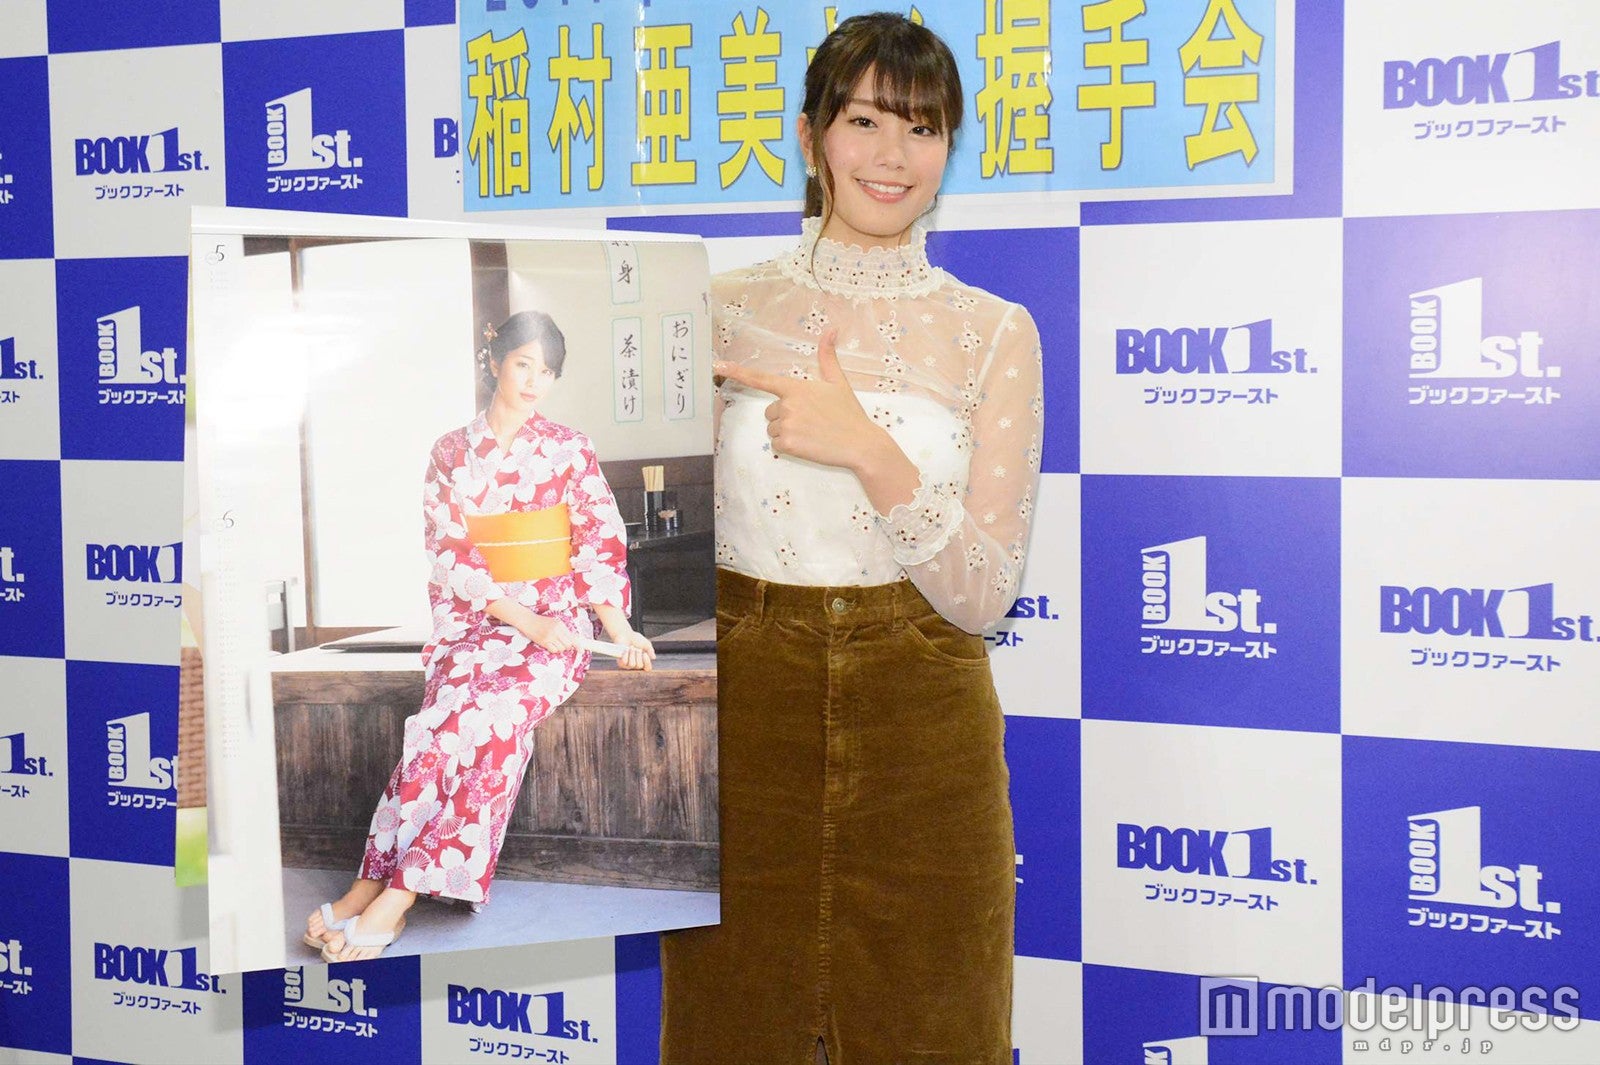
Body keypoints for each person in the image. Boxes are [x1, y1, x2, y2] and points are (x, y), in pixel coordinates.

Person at [660, 12, 1043, 1064]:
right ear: (810, 135)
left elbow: (986, 595)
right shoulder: (715, 310)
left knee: (939, 1035)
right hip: (743, 710)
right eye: (865, 120)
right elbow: (654, 544)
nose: (893, 155)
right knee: (727, 1033)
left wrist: (870, 451)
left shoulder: (994, 331)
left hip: (925, 719)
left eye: (922, 128)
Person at [307, 310, 656, 962]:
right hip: (478, 623)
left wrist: (620, 630)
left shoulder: (569, 447)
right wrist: (520, 617)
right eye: (523, 363)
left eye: (547, 371)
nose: (534, 381)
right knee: (438, 723)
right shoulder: (450, 451)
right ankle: (366, 883)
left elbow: (599, 542)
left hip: (555, 634)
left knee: (495, 720)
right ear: (495, 360)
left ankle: (395, 897)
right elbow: (451, 551)